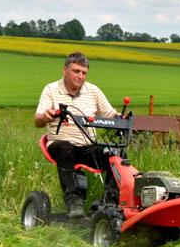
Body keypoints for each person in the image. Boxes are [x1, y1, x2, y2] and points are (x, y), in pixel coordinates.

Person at [35, 52, 118, 218]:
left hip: (87, 147)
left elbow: (111, 115)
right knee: (65, 147)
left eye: (84, 73)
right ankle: (74, 202)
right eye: (76, 71)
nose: (80, 76)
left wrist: (125, 121)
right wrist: (46, 116)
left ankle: (109, 203)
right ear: (64, 70)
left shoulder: (93, 91)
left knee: (116, 154)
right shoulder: (51, 90)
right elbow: (38, 121)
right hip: (59, 145)